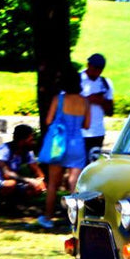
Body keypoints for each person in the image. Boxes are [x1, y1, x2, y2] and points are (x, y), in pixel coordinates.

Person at [38, 70, 91, 229]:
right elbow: (87, 125)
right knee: (74, 183)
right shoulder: (85, 101)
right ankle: (74, 221)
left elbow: (48, 120)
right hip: (77, 144)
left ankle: (48, 217)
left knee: (53, 184)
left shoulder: (59, 99)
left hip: (59, 145)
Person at [0, 124, 46, 203]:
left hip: (15, 182)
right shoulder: (3, 150)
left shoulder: (27, 151)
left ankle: (15, 204)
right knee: (11, 184)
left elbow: (37, 171)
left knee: (36, 186)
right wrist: (29, 180)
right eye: (31, 140)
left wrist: (40, 180)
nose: (33, 142)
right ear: (22, 141)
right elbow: (6, 173)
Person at [80, 53, 114, 161]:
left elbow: (110, 111)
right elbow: (66, 104)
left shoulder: (105, 83)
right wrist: (88, 100)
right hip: (78, 132)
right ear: (88, 65)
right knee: (77, 165)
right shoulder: (76, 80)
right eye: (94, 68)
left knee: (92, 164)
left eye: (100, 69)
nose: (97, 72)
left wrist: (101, 101)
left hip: (97, 133)